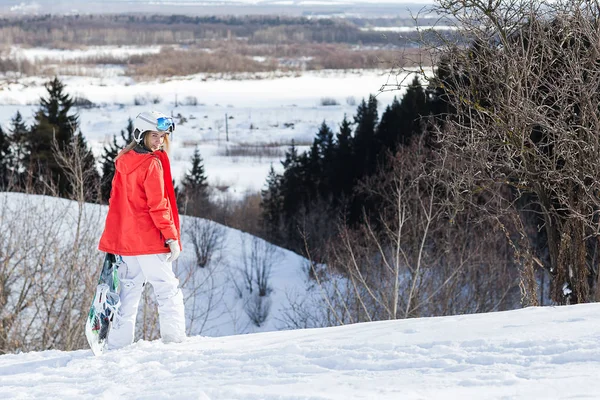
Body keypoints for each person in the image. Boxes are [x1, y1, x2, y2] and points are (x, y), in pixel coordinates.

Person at [98, 110, 186, 348]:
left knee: (128, 292)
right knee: (167, 289)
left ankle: (117, 346)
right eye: (155, 136)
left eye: (162, 136)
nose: (159, 141)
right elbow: (158, 205)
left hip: (127, 243)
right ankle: (175, 342)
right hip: (149, 240)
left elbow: (118, 203)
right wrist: (171, 237)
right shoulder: (151, 164)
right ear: (140, 135)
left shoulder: (123, 161)